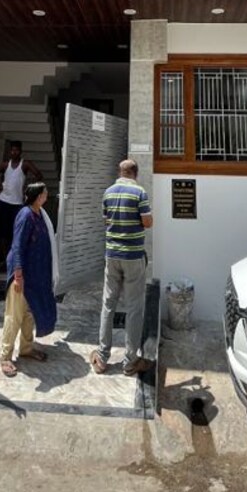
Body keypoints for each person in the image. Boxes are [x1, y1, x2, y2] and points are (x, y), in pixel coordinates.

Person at [90, 159, 153, 377]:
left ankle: (102, 357)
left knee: (108, 304)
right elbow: (148, 222)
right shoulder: (140, 193)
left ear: (120, 172)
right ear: (135, 173)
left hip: (112, 255)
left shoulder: (108, 192)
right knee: (134, 307)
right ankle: (130, 361)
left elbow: (106, 221)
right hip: (133, 256)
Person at [0, 182, 57, 377]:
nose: (47, 195)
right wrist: (18, 275)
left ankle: (26, 348)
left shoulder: (39, 214)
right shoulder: (25, 215)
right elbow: (18, 246)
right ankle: (5, 356)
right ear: (38, 196)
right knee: (14, 315)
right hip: (22, 276)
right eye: (45, 192)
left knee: (28, 314)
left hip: (35, 277)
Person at [0, 141, 44, 260]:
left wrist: (29, 188)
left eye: (16, 150)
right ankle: (5, 258)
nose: (14, 153)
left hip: (17, 203)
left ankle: (16, 257)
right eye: (12, 150)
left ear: (20, 151)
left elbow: (39, 175)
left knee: (17, 230)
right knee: (3, 231)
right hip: (4, 200)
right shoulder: (5, 165)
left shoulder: (25, 164)